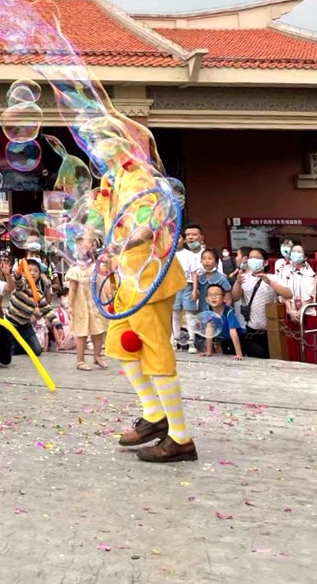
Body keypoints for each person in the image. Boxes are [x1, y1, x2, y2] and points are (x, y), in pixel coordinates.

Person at [89, 151, 196, 463]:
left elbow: (151, 224)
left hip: (149, 277)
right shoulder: (110, 178)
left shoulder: (138, 175)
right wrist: (87, 237)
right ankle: (154, 414)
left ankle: (180, 438)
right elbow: (99, 216)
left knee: (155, 351)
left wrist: (120, 245)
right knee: (119, 345)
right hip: (126, 279)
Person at [65, 240, 108, 371]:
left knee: (98, 330)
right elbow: (72, 289)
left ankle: (97, 356)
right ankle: (80, 360)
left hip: (95, 303)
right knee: (82, 333)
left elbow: (104, 280)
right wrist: (70, 305)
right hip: (81, 304)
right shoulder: (75, 271)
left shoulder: (96, 267)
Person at [4, 259, 60, 357]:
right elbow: (17, 280)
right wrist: (16, 273)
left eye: (36, 271)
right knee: (12, 353)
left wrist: (57, 324)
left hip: (25, 326)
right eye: (29, 270)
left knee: (37, 350)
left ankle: (20, 343)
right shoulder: (22, 285)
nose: (33, 273)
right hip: (10, 325)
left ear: (40, 274)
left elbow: (47, 309)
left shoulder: (38, 293)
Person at [230, 249, 277, 359]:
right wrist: (238, 282)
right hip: (252, 328)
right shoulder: (244, 278)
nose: (253, 260)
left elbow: (288, 294)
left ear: (265, 262)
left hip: (271, 330)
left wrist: (269, 282)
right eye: (251, 257)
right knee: (258, 356)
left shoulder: (273, 278)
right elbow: (235, 298)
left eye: (257, 258)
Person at [199, 284, 244, 360]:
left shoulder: (228, 312)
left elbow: (233, 332)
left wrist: (239, 354)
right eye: (210, 295)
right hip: (224, 341)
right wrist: (209, 351)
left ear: (224, 298)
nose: (213, 297)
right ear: (206, 299)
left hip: (238, 339)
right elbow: (209, 330)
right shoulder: (209, 311)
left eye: (217, 294)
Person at [171, 234, 200, 353]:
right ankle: (175, 340)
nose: (176, 240)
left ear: (183, 240)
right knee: (175, 314)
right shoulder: (169, 255)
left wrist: (194, 289)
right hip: (173, 287)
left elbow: (194, 273)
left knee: (189, 315)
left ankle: (191, 341)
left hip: (187, 285)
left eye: (178, 237)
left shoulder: (190, 255)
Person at [278, 243, 316, 322]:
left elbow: (309, 296)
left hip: (306, 314)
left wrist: (300, 313)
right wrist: (290, 311)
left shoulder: (310, 274)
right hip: (289, 313)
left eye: (298, 252)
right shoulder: (285, 272)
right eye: (293, 251)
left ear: (305, 257)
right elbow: (284, 293)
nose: (295, 253)